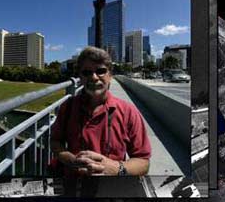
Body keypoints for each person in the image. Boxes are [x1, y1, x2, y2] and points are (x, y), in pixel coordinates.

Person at [50, 46, 151, 177]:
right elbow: (55, 142)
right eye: (87, 72)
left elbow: (143, 162)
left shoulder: (128, 112)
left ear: (110, 75)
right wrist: (71, 160)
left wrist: (116, 169)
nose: (94, 77)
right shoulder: (68, 107)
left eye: (101, 71)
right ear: (80, 76)